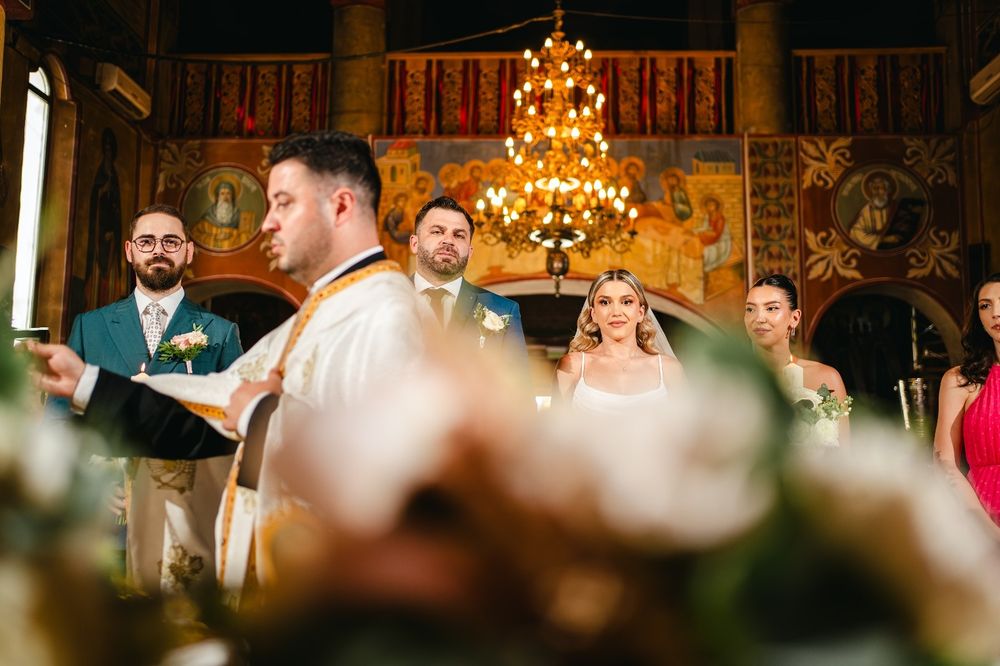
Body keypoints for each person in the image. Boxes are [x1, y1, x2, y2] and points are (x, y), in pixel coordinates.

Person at [31, 130, 423, 595]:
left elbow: (388, 479)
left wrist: (258, 414)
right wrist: (87, 384)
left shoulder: (385, 313)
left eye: (283, 204)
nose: (267, 224)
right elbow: (209, 417)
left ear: (340, 206)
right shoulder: (326, 311)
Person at [61, 203, 243, 593]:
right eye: (146, 241)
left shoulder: (220, 332)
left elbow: (234, 428)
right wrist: (88, 481)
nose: (158, 249)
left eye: (171, 241)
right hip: (100, 520)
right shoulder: (90, 326)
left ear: (188, 251)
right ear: (130, 251)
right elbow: (61, 419)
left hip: (184, 519)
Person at [409, 196, 527, 359]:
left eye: (459, 235)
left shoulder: (503, 310)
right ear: (414, 244)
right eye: (437, 232)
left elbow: (517, 376)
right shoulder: (383, 300)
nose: (448, 241)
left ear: (470, 252)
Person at [555, 269, 683, 413]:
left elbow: (687, 425)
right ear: (593, 314)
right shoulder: (574, 367)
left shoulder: (668, 369)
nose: (616, 312)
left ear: (640, 313)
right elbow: (553, 425)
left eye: (626, 302)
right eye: (605, 302)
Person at [744, 274, 850, 445]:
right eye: (750, 309)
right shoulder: (730, 378)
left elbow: (845, 453)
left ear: (794, 318)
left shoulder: (826, 378)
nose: (759, 318)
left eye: (771, 308)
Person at [934, 273, 1000, 534]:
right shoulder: (960, 380)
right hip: (979, 521)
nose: (996, 313)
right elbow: (945, 463)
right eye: (985, 305)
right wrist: (987, 531)